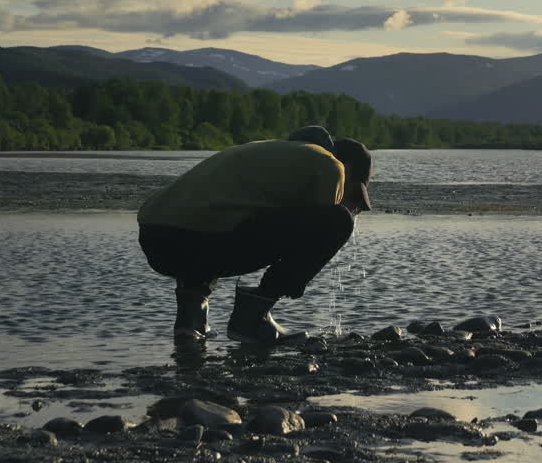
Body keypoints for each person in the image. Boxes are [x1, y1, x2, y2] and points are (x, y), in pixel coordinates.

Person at [137, 126, 372, 345]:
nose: (350, 202)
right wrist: (291, 281)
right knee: (338, 221)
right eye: (352, 195)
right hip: (204, 241)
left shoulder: (259, 153)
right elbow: (317, 227)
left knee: (220, 218)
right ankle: (252, 317)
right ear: (348, 168)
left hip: (155, 239)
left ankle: (191, 322)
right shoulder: (330, 164)